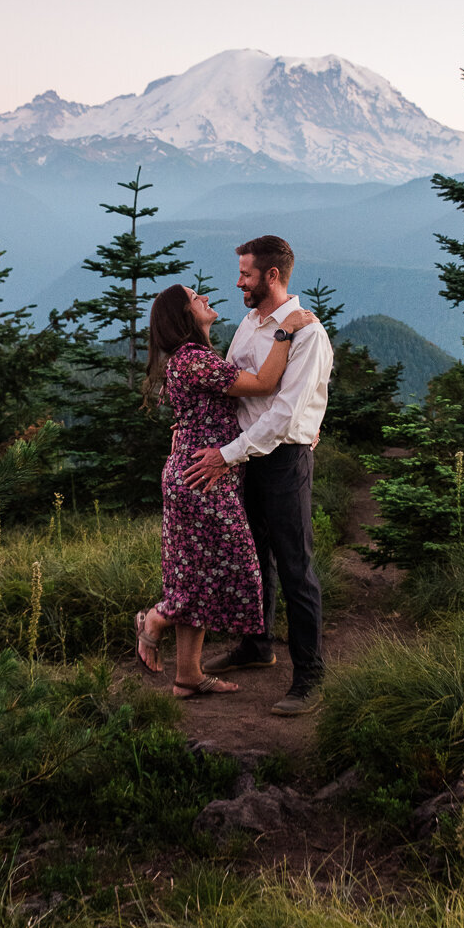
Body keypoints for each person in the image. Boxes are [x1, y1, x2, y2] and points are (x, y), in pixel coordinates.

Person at [134, 283, 315, 699]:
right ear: (185, 315)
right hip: (202, 477)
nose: (206, 299)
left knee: (197, 568)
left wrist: (304, 425)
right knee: (228, 566)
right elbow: (264, 384)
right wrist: (286, 331)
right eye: (196, 298)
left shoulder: (191, 360)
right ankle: (156, 620)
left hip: (192, 472)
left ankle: (187, 677)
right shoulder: (195, 360)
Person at [182, 236, 334, 717]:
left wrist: (226, 455)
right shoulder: (250, 323)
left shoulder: (307, 334)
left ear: (272, 276)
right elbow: (232, 381)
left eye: (246, 274)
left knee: (295, 566)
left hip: (284, 459)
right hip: (246, 456)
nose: (238, 282)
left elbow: (285, 416)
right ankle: (257, 645)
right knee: (255, 557)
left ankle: (310, 677)